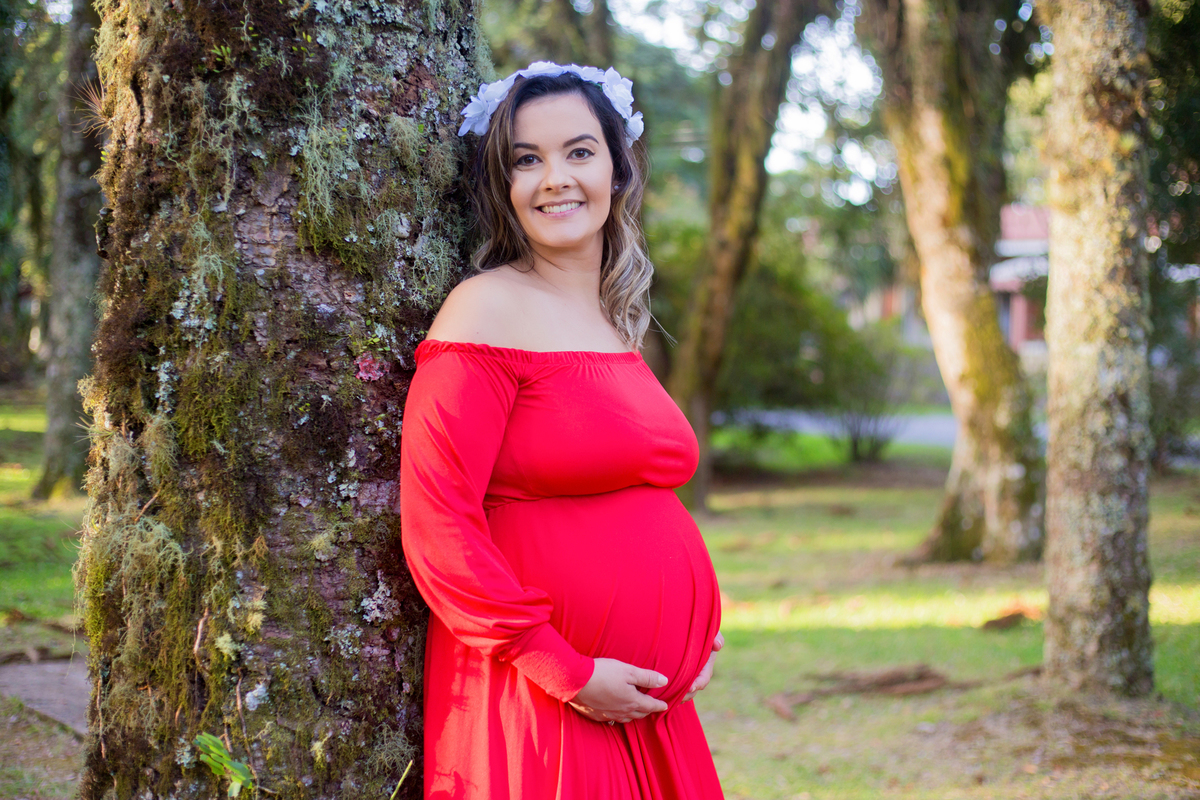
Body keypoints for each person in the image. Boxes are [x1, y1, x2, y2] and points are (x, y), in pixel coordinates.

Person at [399, 62, 725, 799]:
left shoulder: (613, 324)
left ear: (617, 169)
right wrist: (565, 671)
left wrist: (699, 633)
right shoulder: (485, 309)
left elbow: (642, 503)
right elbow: (437, 521)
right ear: (504, 187)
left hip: (649, 704)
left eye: (579, 152)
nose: (555, 179)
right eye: (527, 159)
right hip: (544, 697)